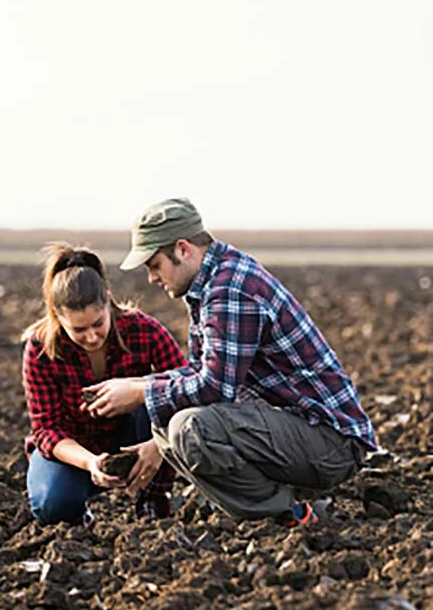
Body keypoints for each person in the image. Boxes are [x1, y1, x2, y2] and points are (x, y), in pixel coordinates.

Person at [87, 197, 377, 528]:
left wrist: (140, 394)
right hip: (298, 430)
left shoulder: (229, 289)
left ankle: (291, 514)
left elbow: (214, 388)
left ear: (183, 250)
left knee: (188, 429)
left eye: (154, 265)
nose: (152, 278)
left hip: (332, 443)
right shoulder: (210, 282)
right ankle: (280, 499)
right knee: (168, 420)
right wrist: (140, 388)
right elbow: (203, 371)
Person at [21, 243, 188, 525]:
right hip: (75, 446)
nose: (92, 337)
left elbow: (188, 388)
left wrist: (158, 445)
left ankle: (152, 501)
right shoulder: (40, 349)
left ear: (108, 301)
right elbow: (46, 428)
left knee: (159, 397)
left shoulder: (144, 331)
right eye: (79, 330)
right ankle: (78, 516)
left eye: (98, 323)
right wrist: (90, 463)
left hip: (135, 435)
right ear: (57, 316)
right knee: (53, 505)